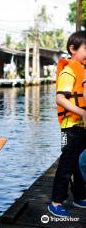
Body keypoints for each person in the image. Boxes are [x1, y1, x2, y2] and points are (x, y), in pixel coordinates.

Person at [48, 30, 86, 218]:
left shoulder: (83, 69)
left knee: (80, 164)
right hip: (70, 127)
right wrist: (81, 112)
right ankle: (56, 203)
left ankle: (79, 197)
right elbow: (60, 98)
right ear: (73, 49)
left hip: (82, 126)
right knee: (67, 164)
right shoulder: (69, 70)